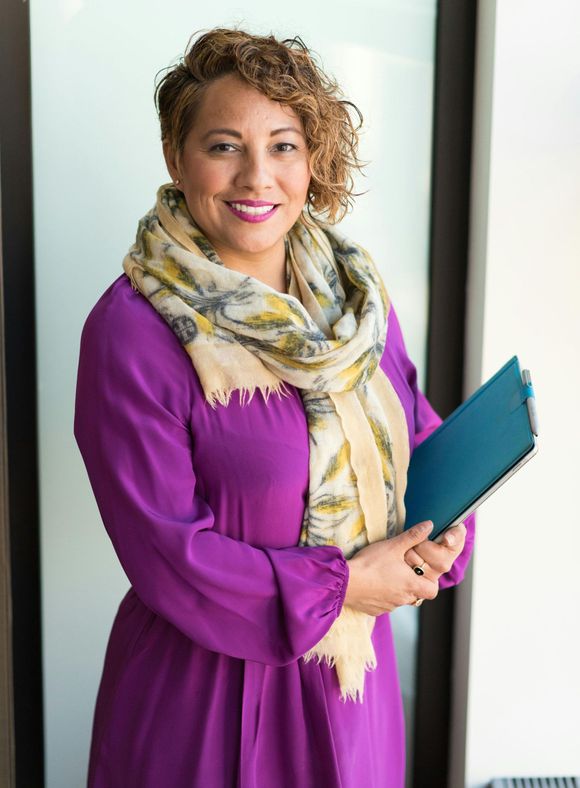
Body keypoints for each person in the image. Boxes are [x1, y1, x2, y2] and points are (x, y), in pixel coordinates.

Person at [74, 27, 475, 788]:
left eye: (284, 145)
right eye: (224, 145)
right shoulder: (133, 330)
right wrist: (343, 586)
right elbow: (168, 554)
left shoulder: (355, 300)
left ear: (312, 159)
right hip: (210, 699)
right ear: (175, 154)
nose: (257, 176)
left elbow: (414, 440)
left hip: (353, 687)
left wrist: (445, 529)